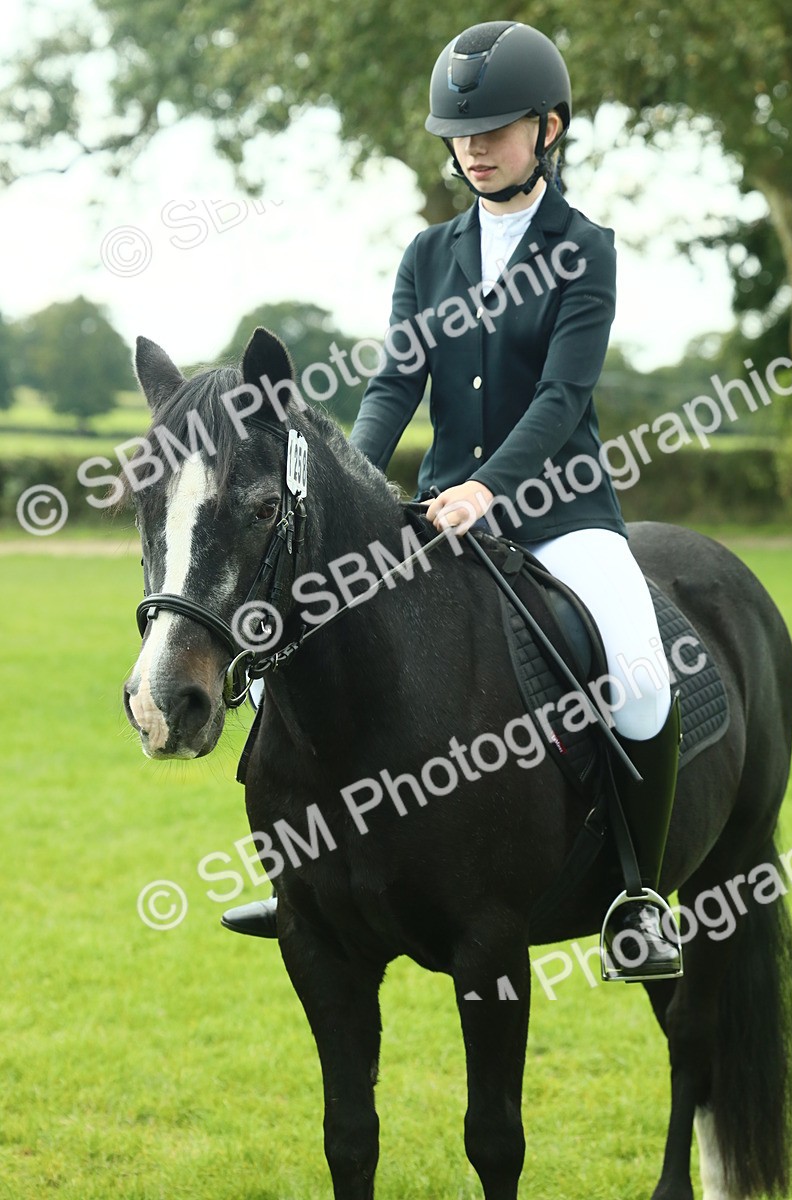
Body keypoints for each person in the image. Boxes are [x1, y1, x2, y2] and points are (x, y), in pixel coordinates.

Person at [223, 20, 681, 979]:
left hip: (560, 514)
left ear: (548, 128)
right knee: (280, 652)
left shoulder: (584, 249)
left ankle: (637, 897)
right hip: (435, 515)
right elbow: (396, 382)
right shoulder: (429, 255)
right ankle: (304, 874)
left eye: (496, 129)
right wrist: (341, 484)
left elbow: (562, 395)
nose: (474, 148)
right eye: (461, 133)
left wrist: (490, 486)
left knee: (640, 678)